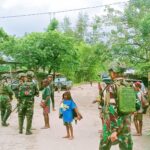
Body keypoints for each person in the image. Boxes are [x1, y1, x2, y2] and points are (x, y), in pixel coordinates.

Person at [99, 63, 133, 150]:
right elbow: (136, 105)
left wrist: (114, 130)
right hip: (126, 123)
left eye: (110, 72)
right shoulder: (129, 85)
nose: (110, 74)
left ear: (114, 72)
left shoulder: (112, 87)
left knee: (104, 146)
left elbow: (112, 109)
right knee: (126, 147)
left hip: (112, 124)